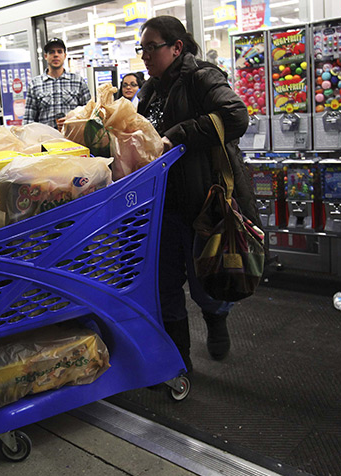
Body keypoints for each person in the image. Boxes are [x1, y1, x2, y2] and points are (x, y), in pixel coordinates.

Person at [136, 16, 259, 373]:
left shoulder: (202, 77)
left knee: (207, 278)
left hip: (204, 200)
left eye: (151, 47)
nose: (145, 55)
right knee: (165, 284)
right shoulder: (148, 91)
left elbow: (235, 116)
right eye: (141, 48)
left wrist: (177, 135)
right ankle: (178, 362)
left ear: (176, 47)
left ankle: (216, 316)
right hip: (161, 206)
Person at [23, 38, 91, 130]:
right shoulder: (35, 85)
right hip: (46, 140)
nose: (56, 55)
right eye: (52, 52)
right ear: (45, 56)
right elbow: (28, 121)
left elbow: (90, 113)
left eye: (59, 52)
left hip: (73, 141)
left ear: (65, 55)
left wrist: (72, 120)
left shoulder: (78, 82)